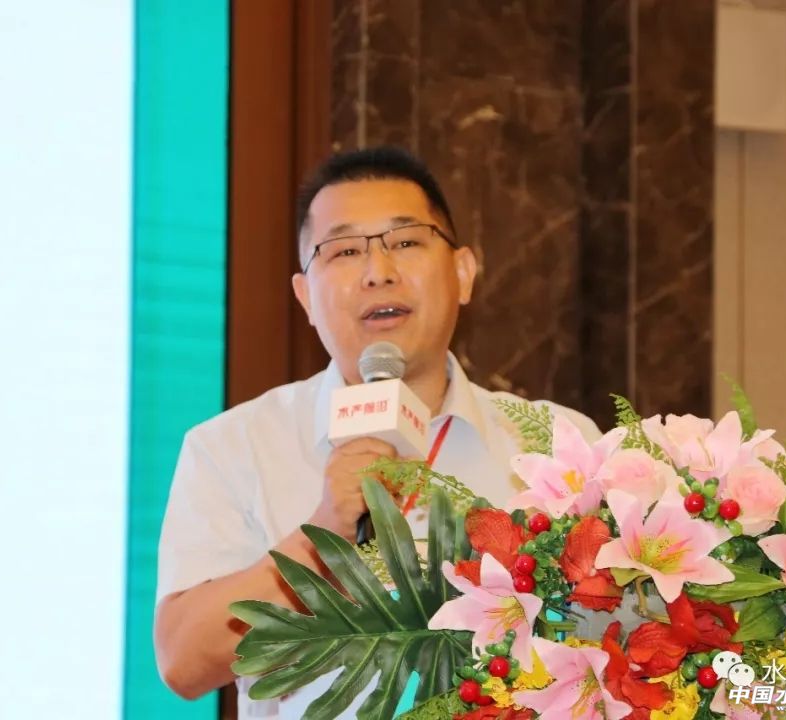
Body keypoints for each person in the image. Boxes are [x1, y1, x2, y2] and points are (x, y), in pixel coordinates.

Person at [154, 146, 599, 718]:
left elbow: (619, 633)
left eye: (407, 242)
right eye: (344, 251)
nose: (378, 271)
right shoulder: (234, 446)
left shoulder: (558, 441)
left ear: (463, 273)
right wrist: (322, 536)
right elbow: (184, 661)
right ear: (304, 297)